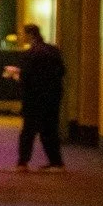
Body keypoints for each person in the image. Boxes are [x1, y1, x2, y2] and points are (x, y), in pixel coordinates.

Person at [15, 23, 66, 171]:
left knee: (28, 131)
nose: (22, 37)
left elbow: (26, 79)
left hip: (34, 98)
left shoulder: (30, 54)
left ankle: (22, 162)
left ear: (30, 35)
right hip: (53, 96)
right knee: (49, 130)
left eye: (24, 34)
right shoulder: (53, 50)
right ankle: (56, 162)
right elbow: (62, 71)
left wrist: (16, 75)